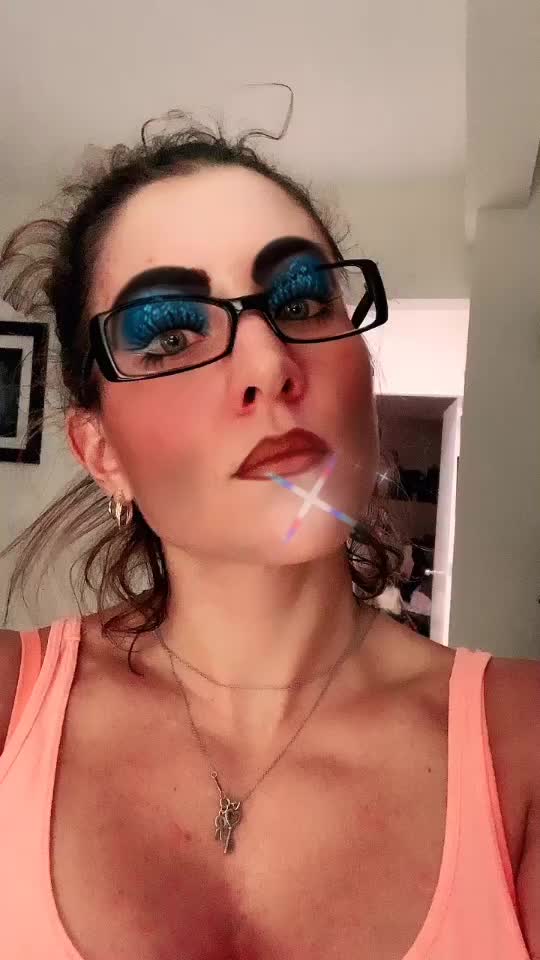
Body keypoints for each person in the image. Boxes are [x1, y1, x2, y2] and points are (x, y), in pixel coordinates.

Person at [0, 111, 538, 960]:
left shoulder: (523, 745)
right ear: (102, 453)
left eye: (302, 301)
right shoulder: (11, 712)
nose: (268, 365)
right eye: (170, 334)